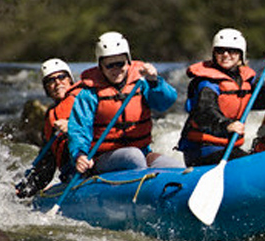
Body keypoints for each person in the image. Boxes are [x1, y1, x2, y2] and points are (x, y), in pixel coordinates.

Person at [68, 31, 184, 176]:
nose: (116, 69)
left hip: (142, 153)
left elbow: (165, 103)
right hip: (104, 158)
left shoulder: (142, 83)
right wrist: (80, 155)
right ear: (100, 66)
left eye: (120, 63)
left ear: (128, 62)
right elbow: (79, 129)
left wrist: (155, 82)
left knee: (177, 167)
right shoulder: (89, 94)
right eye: (110, 65)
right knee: (133, 157)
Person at [177, 28, 265, 166]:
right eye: (220, 51)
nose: (226, 55)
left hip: (228, 148)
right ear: (214, 53)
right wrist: (227, 125)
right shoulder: (206, 83)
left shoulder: (245, 81)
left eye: (232, 51)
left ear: (241, 55)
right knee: (251, 165)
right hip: (202, 149)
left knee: (260, 161)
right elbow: (204, 112)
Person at [15, 58, 80, 198]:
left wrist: (73, 127)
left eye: (62, 77)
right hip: (72, 173)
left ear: (70, 80)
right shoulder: (50, 118)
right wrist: (29, 187)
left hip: (94, 163)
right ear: (46, 89)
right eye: (51, 80)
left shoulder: (87, 100)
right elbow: (47, 162)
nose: (57, 83)